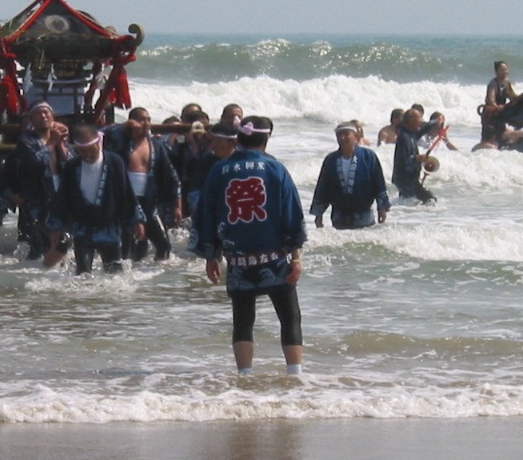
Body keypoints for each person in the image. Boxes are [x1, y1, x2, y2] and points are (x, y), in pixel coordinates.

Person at [190, 116, 307, 375]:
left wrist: (211, 255)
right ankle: (295, 374)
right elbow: (291, 216)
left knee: (243, 321)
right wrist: (296, 257)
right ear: (266, 139)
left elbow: (207, 213)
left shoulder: (220, 171)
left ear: (239, 139)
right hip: (274, 258)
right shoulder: (275, 169)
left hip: (238, 260)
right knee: (289, 317)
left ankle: (245, 375)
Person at [46, 125, 146, 274]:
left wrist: (136, 220)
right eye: (82, 151)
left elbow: (126, 193)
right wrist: (56, 227)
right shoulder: (72, 166)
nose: (87, 155)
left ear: (98, 143)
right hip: (82, 228)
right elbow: (62, 198)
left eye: (90, 149)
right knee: (82, 274)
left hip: (109, 228)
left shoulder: (115, 162)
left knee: (114, 275)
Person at [104, 107, 181, 262]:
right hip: (125, 203)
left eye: (148, 119)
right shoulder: (120, 143)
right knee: (127, 250)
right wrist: (123, 127)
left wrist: (177, 204)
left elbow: (171, 176)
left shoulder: (156, 145)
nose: (145, 123)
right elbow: (105, 133)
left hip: (148, 203)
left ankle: (158, 280)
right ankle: (129, 281)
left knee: (164, 246)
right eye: (140, 120)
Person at [2, 102, 71, 259]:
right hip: (36, 201)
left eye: (46, 113)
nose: (43, 116)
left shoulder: (60, 139)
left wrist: (60, 144)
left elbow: (70, 165)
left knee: (63, 243)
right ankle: (32, 278)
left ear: (53, 117)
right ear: (31, 119)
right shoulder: (26, 141)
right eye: (38, 113)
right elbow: (35, 162)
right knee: (38, 247)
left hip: (59, 199)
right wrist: (52, 143)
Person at [310, 122, 391, 229]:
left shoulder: (369, 157)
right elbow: (323, 187)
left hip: (364, 214)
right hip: (339, 216)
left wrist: (382, 208)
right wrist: (318, 214)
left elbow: (379, 183)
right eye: (339, 135)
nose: (342, 138)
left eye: (346, 134)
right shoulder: (331, 160)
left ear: (356, 137)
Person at [391, 109, 440, 204]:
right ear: (410, 121)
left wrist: (436, 121)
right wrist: (417, 158)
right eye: (419, 119)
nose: (421, 121)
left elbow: (425, 127)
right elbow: (403, 161)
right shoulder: (403, 138)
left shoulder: (412, 134)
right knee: (430, 201)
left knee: (415, 203)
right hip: (405, 181)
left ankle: (402, 213)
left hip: (410, 180)